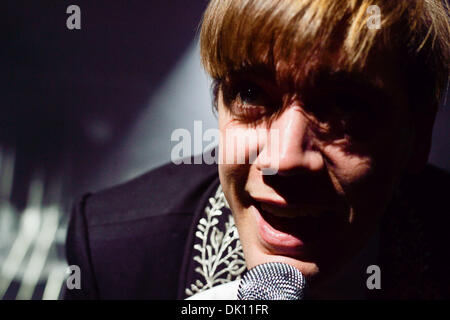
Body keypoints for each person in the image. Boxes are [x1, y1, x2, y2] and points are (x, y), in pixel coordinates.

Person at [64, 0, 450, 300]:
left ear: (416, 135)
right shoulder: (116, 258)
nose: (282, 160)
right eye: (251, 94)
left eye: (344, 106)